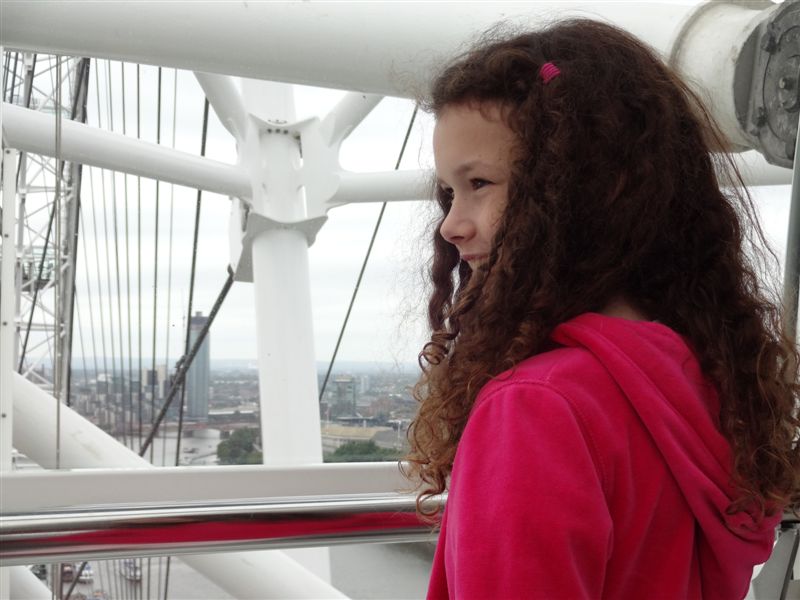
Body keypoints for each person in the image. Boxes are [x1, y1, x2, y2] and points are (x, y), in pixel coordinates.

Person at [404, 18, 800, 600]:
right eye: (449, 192)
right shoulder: (708, 381)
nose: (451, 225)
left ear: (582, 187)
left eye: (480, 183)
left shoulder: (537, 409)